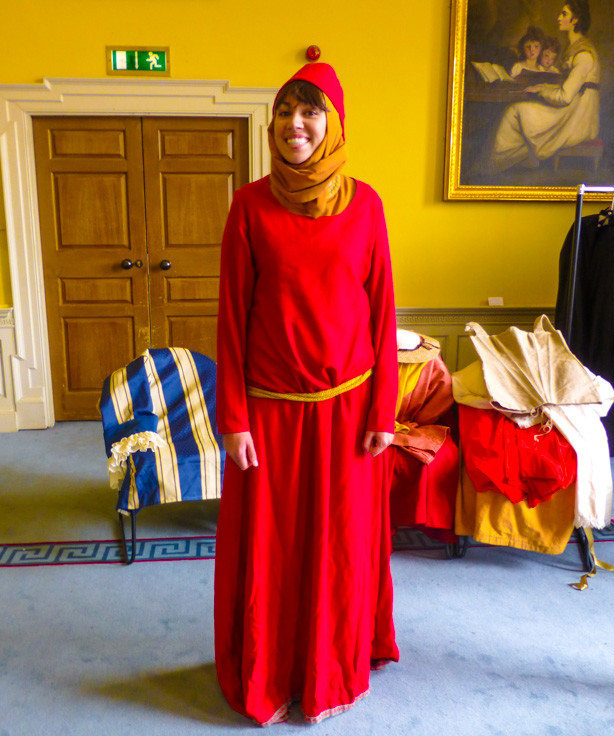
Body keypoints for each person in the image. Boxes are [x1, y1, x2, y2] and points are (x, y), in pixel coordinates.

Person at [214, 62, 399, 726]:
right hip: (268, 416)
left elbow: (382, 315)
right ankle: (269, 676)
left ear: (334, 123)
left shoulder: (368, 205)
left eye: (311, 111)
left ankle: (330, 673)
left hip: (350, 416)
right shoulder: (250, 205)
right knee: (273, 557)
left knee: (340, 555)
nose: (296, 123)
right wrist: (233, 418)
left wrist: (384, 411)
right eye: (286, 110)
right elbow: (232, 320)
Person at [489, 0, 599, 172]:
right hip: (571, 109)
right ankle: (498, 166)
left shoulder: (583, 54)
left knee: (515, 111)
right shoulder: (575, 49)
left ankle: (491, 167)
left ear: (575, 20)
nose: (558, 18)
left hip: (578, 116)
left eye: (564, 14)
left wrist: (540, 88)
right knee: (519, 112)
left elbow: (564, 96)